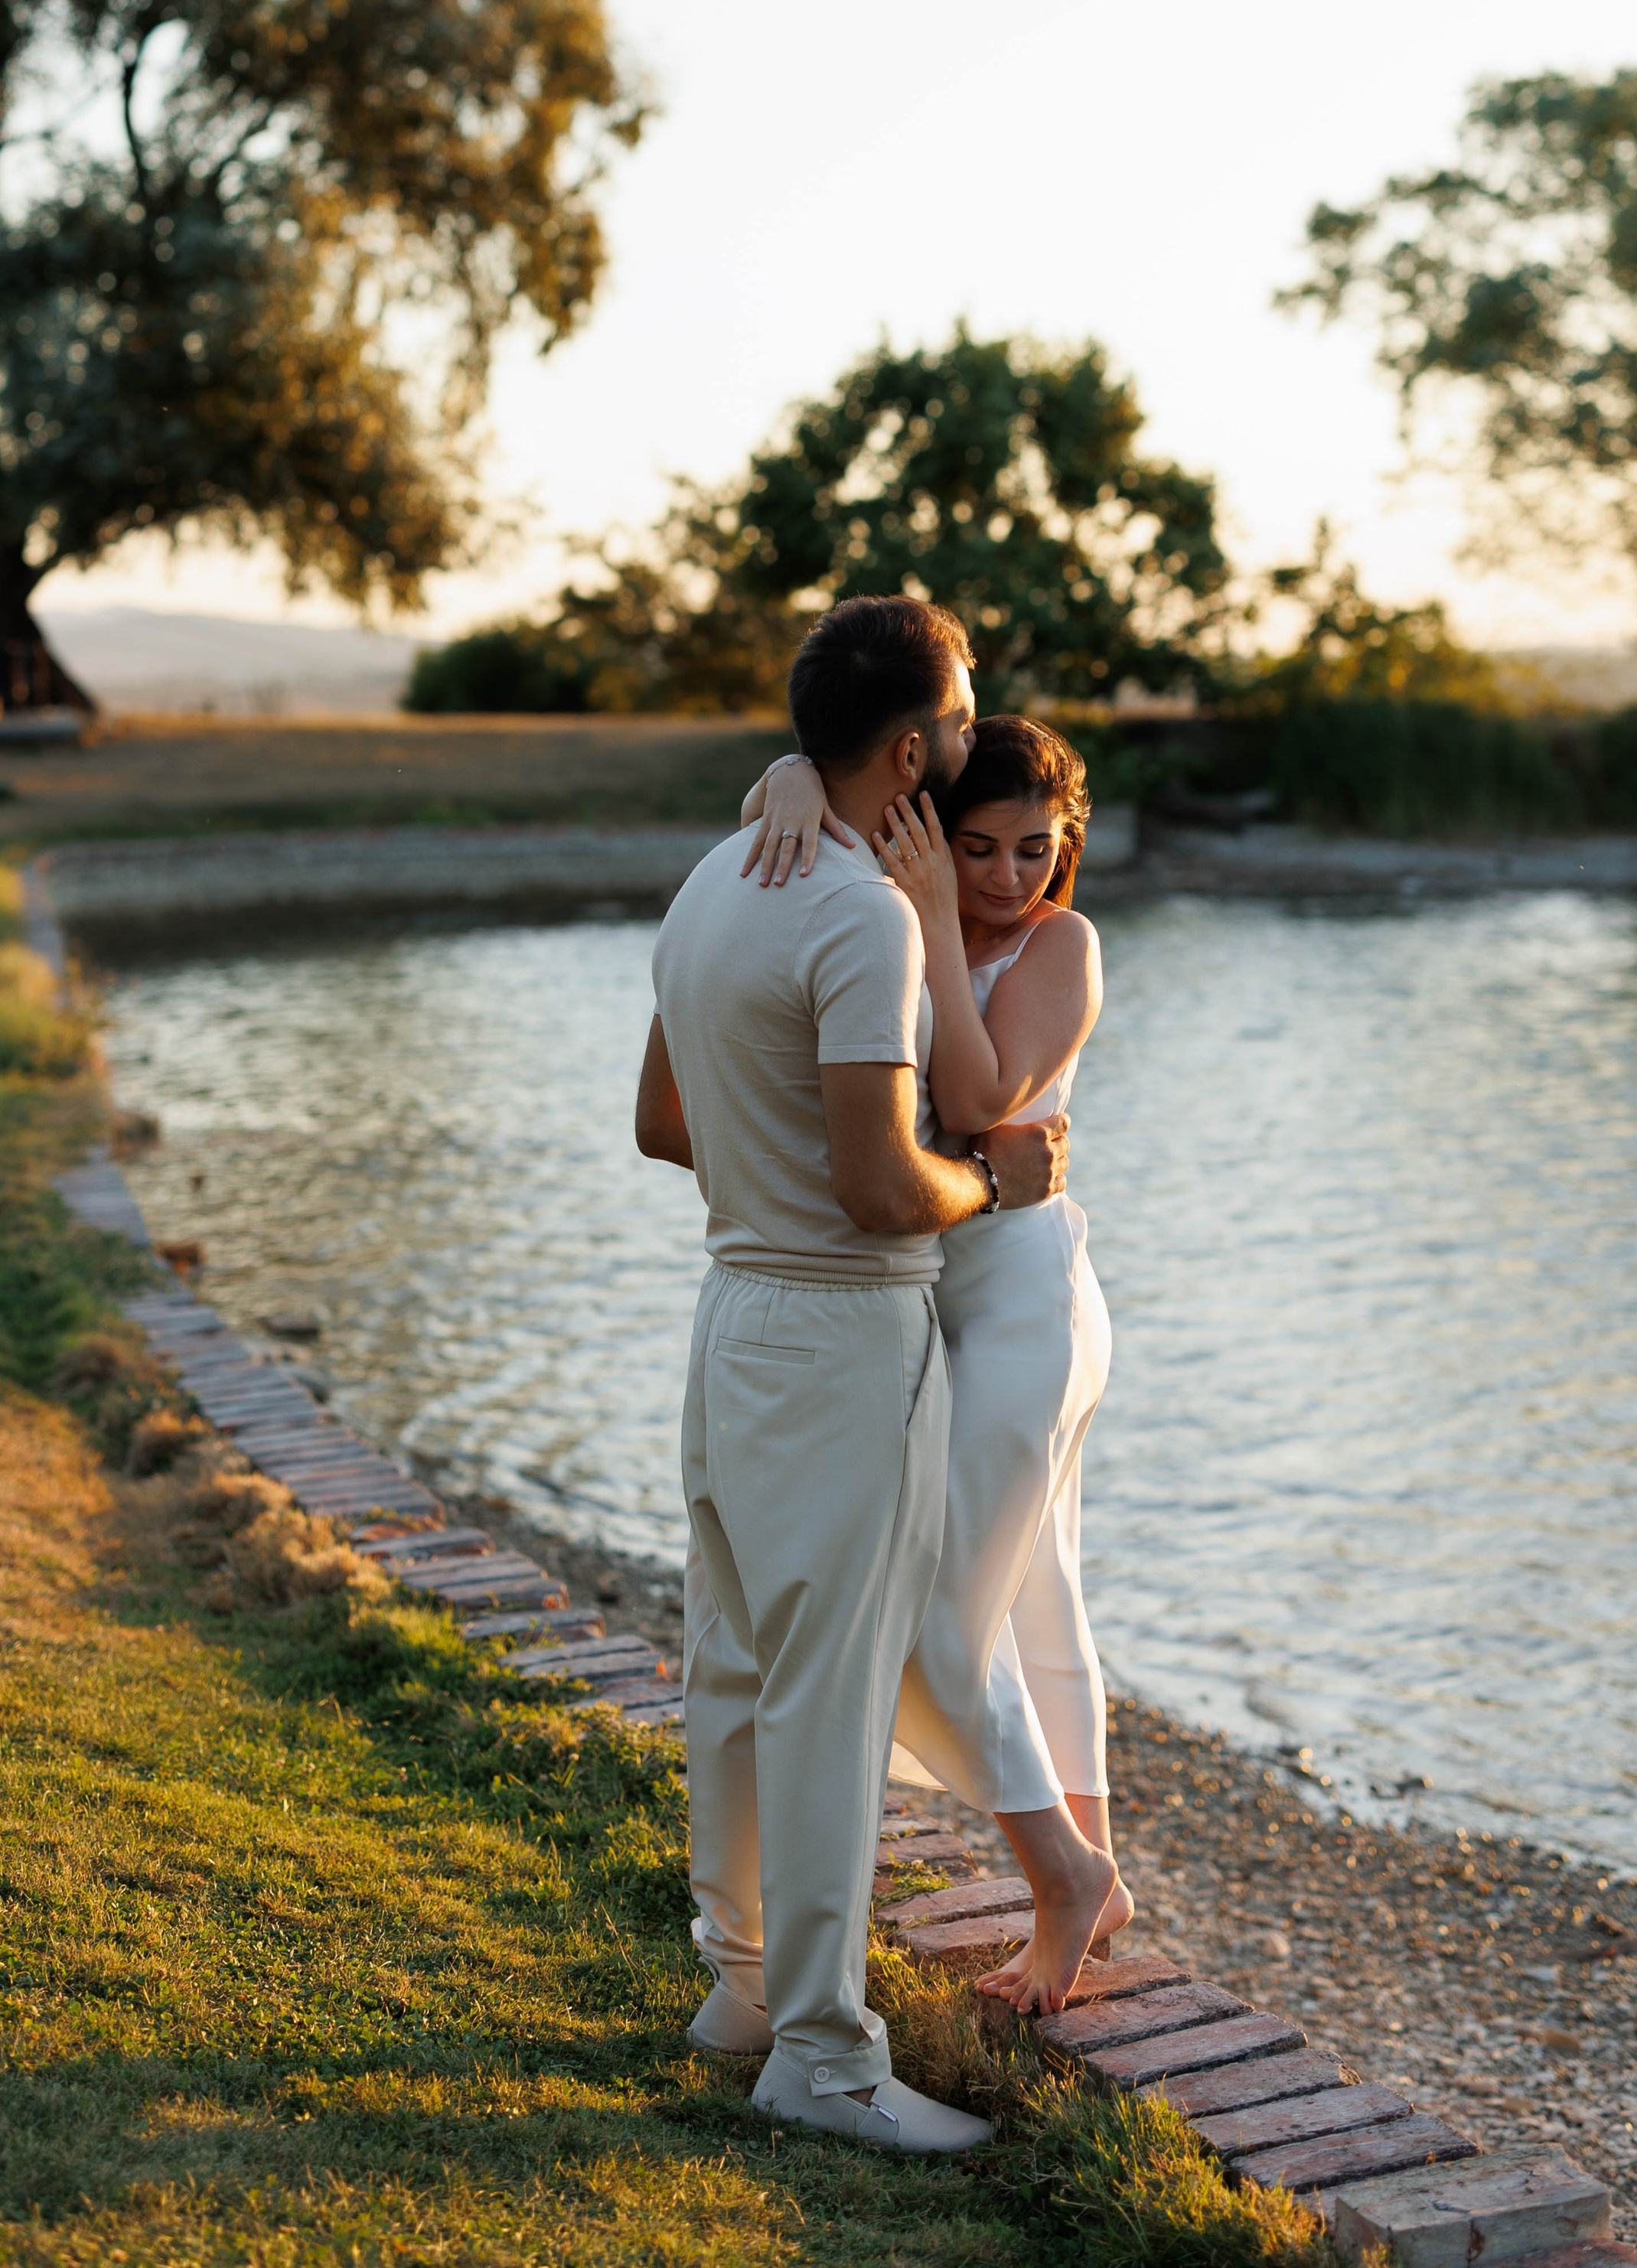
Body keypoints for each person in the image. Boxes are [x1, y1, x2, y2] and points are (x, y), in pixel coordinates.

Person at [634, 597, 1069, 2155]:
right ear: (908, 746)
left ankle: (738, 1988)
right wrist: (990, 1180)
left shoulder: (709, 883)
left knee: (737, 1669)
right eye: (958, 716)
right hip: (835, 1326)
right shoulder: (859, 914)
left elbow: (661, 1123)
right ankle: (821, 2060)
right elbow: (890, 1188)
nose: (970, 735)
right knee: (822, 1696)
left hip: (728, 1309)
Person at [740, 715, 1128, 2012]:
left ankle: (1065, 1878)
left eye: (1036, 847)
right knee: (1034, 1598)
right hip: (934, 1301)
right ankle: (1092, 1878)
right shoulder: (900, 902)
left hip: (1026, 1304)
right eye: (976, 846)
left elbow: (969, 1108)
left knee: (938, 1612)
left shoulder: (1060, 945)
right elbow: (817, 780)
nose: (1009, 875)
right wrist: (795, 775)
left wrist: (939, 922)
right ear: (929, 826)